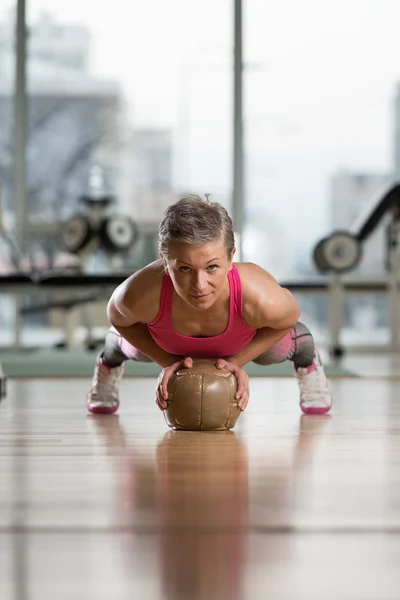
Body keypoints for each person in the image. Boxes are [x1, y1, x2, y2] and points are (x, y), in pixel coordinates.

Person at [87, 195, 332, 415]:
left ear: (231, 257)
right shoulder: (141, 293)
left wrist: (237, 361)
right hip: (168, 343)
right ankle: (107, 367)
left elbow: (290, 316)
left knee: (278, 348)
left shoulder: (261, 297)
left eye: (212, 267)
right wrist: (167, 361)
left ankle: (309, 365)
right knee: (127, 342)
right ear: (165, 261)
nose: (200, 285)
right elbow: (116, 316)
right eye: (184, 268)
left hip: (239, 342)